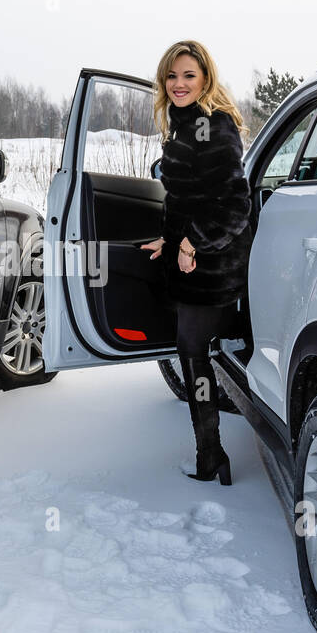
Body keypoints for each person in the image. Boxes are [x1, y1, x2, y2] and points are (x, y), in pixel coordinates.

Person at [139, 40, 252, 485]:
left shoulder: (215, 125)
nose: (179, 84)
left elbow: (235, 205)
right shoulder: (182, 126)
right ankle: (211, 454)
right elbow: (189, 198)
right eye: (172, 76)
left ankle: (212, 456)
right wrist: (169, 241)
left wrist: (192, 244)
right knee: (193, 353)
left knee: (194, 354)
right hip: (191, 260)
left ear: (206, 78)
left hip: (213, 265)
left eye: (189, 75)